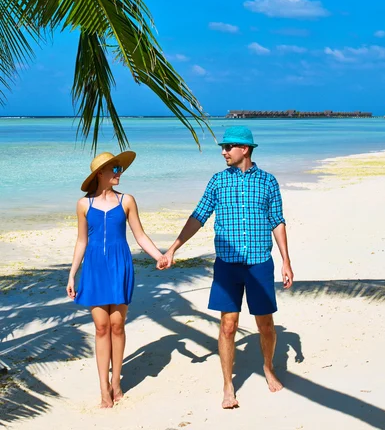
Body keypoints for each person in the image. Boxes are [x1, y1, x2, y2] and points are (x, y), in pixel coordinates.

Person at [162, 126, 294, 409]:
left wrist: (286, 260)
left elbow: (277, 221)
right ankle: (227, 385)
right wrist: (173, 248)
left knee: (265, 325)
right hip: (227, 266)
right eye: (223, 147)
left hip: (260, 263)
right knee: (228, 325)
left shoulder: (268, 182)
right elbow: (198, 216)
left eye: (228, 147)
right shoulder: (217, 182)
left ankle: (268, 368)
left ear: (244, 149)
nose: (223, 152)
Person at [67, 151, 167, 408]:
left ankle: (116, 383)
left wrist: (159, 255)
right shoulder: (83, 204)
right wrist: (71, 274)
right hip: (94, 267)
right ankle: (103, 387)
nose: (119, 172)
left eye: (120, 168)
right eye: (114, 168)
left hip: (120, 264)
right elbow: (81, 241)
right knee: (101, 327)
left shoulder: (127, 201)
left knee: (117, 325)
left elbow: (140, 235)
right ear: (100, 173)